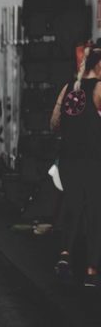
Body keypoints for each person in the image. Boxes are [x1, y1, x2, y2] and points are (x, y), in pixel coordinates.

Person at [50, 45, 101, 287]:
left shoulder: (68, 88)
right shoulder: (100, 88)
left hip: (68, 159)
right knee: (94, 212)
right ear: (98, 65)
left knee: (72, 206)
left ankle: (64, 257)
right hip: (93, 159)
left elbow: (54, 124)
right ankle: (91, 271)